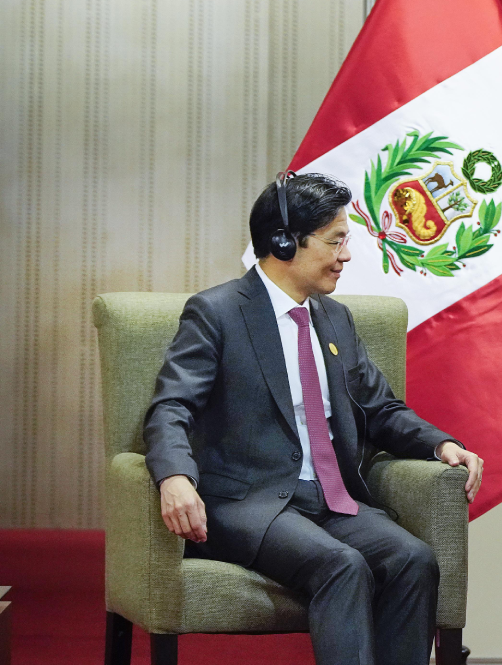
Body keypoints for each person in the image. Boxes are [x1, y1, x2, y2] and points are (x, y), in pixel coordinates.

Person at [144, 172, 483, 665]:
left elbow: (381, 408)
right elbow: (171, 405)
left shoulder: (334, 319)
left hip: (330, 497)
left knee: (413, 560)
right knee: (342, 565)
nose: (346, 255)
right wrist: (174, 476)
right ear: (284, 243)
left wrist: (439, 445)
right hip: (248, 500)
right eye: (335, 241)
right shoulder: (216, 313)